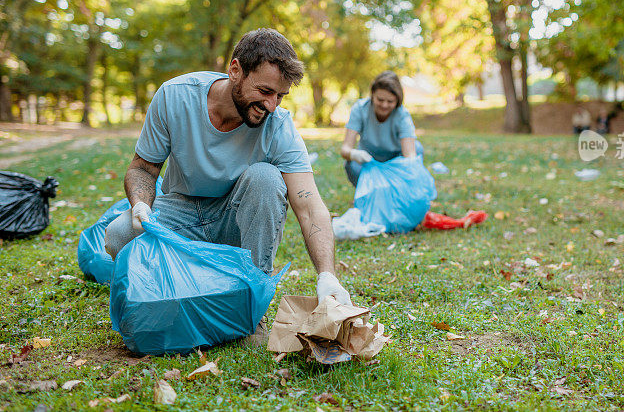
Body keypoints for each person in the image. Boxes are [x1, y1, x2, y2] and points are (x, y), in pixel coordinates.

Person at [104, 28, 352, 344]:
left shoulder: (278, 125)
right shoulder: (174, 97)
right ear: (235, 70)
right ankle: (163, 292)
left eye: (280, 95)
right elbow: (142, 169)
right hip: (180, 210)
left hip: (235, 221)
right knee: (119, 234)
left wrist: (327, 276)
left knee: (265, 177)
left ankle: (251, 308)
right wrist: (140, 203)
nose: (272, 105)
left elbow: (309, 205)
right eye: (264, 91)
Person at [340, 71, 422, 186]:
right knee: (351, 164)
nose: (384, 105)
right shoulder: (360, 109)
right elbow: (345, 149)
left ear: (397, 100)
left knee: (417, 148)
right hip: (368, 161)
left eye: (390, 101)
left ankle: (396, 191)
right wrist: (355, 154)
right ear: (372, 95)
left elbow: (410, 155)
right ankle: (367, 194)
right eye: (380, 100)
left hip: (395, 162)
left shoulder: (402, 115)